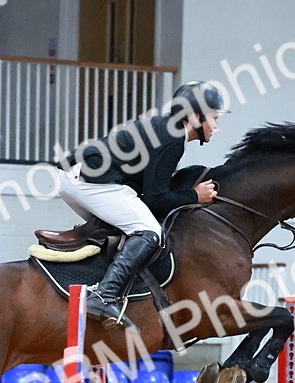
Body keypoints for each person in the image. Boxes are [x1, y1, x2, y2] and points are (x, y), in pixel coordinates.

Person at [54, 81, 228, 327]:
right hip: (88, 182)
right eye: (213, 117)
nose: (217, 125)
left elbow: (150, 194)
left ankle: (106, 287)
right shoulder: (172, 139)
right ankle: (104, 295)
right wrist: (194, 196)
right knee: (150, 231)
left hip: (77, 176)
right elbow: (156, 200)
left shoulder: (166, 130)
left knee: (129, 226)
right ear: (194, 116)